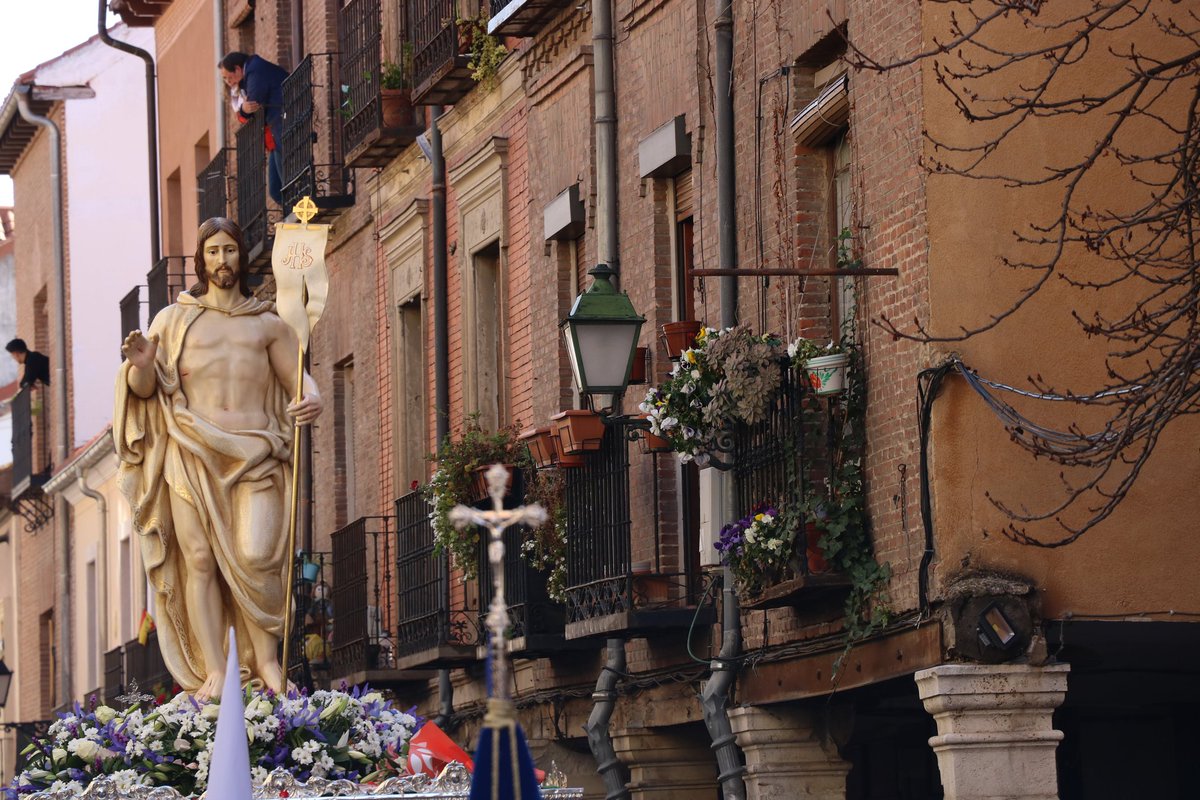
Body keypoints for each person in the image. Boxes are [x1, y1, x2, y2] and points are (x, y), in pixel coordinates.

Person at [114, 217, 322, 701]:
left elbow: (299, 379)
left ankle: (267, 660)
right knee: (200, 561)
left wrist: (313, 398)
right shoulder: (173, 320)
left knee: (257, 555)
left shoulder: (269, 323)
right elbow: (147, 392)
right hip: (190, 452)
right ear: (200, 260)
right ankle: (216, 669)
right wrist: (143, 366)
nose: (221, 260)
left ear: (241, 257)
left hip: (256, 454)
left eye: (229, 250)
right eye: (212, 252)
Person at [219, 51, 289, 205]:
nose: (228, 82)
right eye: (225, 79)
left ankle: (301, 218)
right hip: (275, 137)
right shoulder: (250, 74)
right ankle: (294, 217)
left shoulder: (255, 70)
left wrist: (243, 110)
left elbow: (254, 104)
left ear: (238, 69)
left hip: (282, 129)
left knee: (286, 184)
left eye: (229, 77)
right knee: (276, 190)